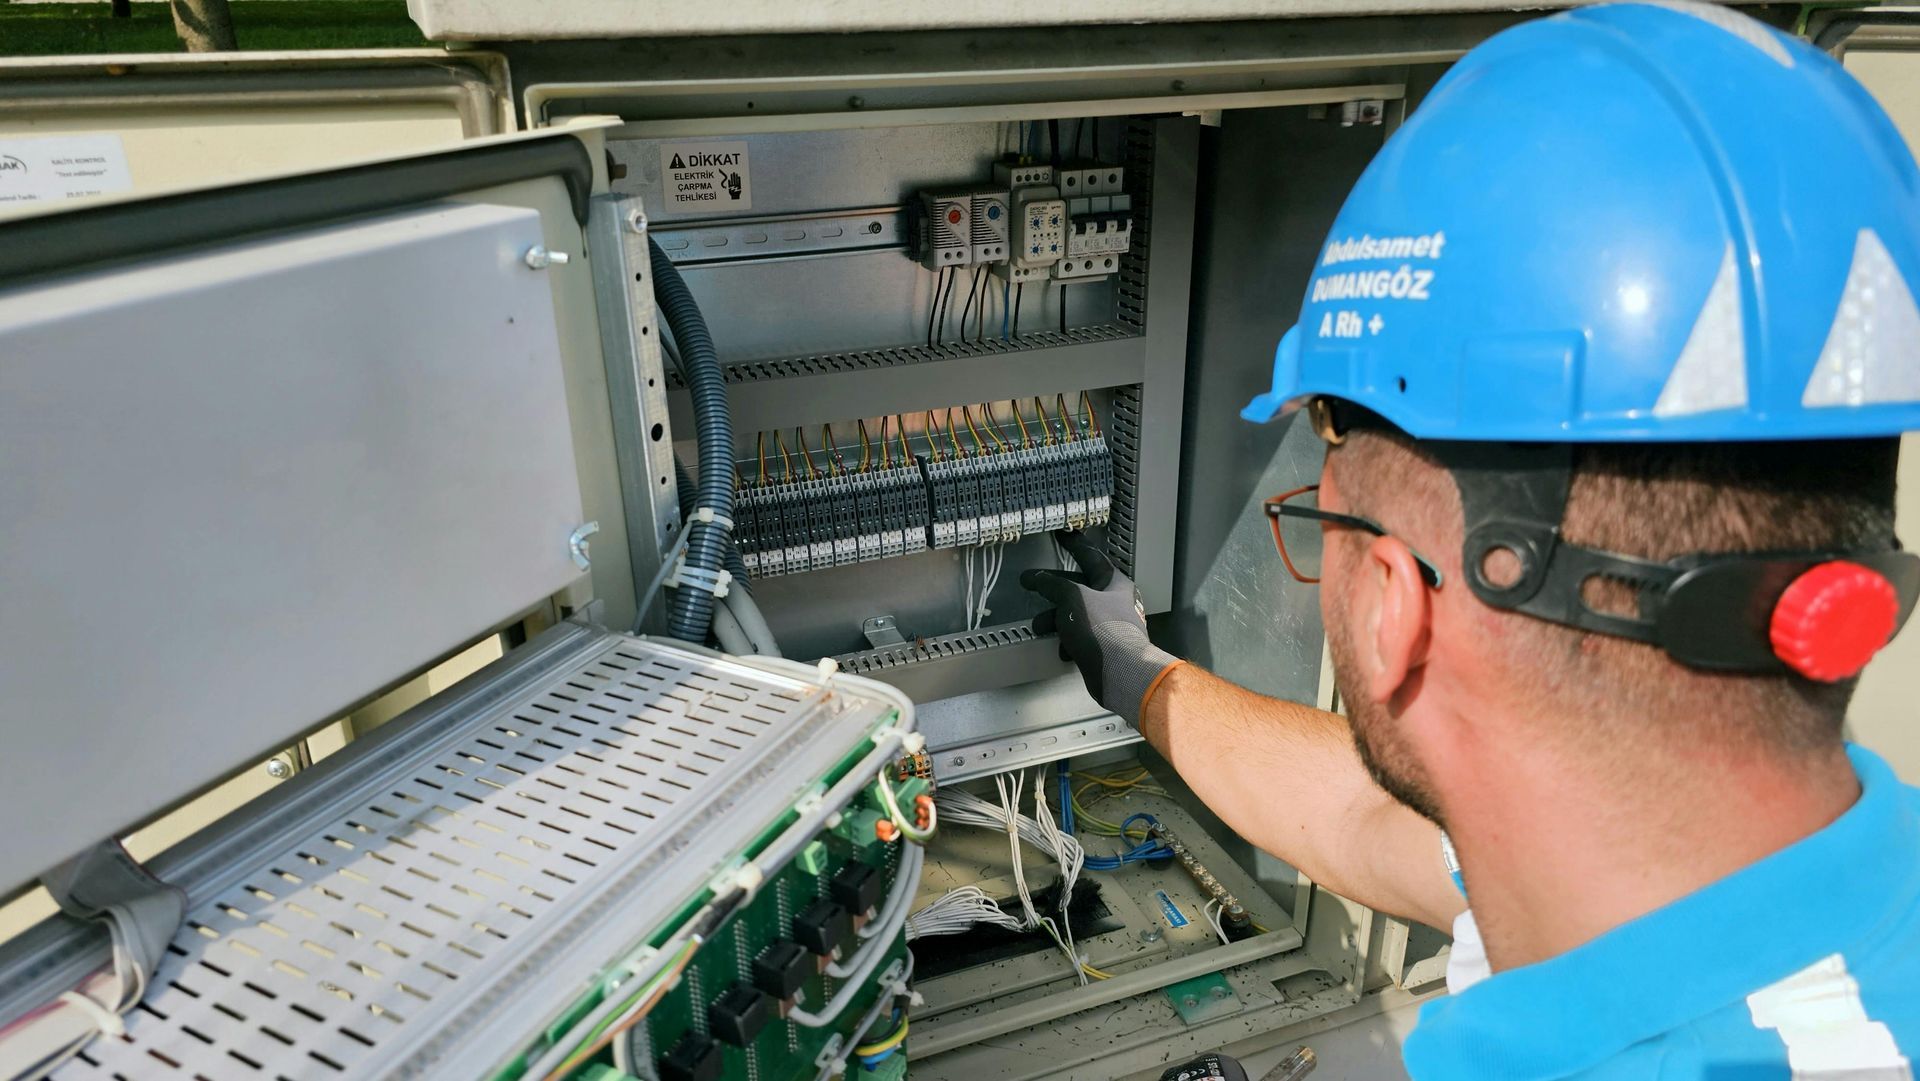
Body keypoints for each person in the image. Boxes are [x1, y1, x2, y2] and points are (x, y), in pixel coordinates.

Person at [1022, 4, 1920, 1077]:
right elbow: (1366, 819)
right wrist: (1137, 673)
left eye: (1319, 521)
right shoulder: (1800, 865)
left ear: (1393, 602)